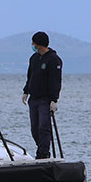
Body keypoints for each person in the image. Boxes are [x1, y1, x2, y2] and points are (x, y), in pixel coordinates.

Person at [21, 31, 62, 159]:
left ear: (39, 44)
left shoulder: (54, 59)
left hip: (45, 99)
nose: (32, 45)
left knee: (44, 127)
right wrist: (26, 91)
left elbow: (55, 80)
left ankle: (43, 153)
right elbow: (30, 76)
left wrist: (54, 99)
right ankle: (41, 148)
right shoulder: (33, 58)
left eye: (34, 43)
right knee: (35, 129)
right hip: (34, 98)